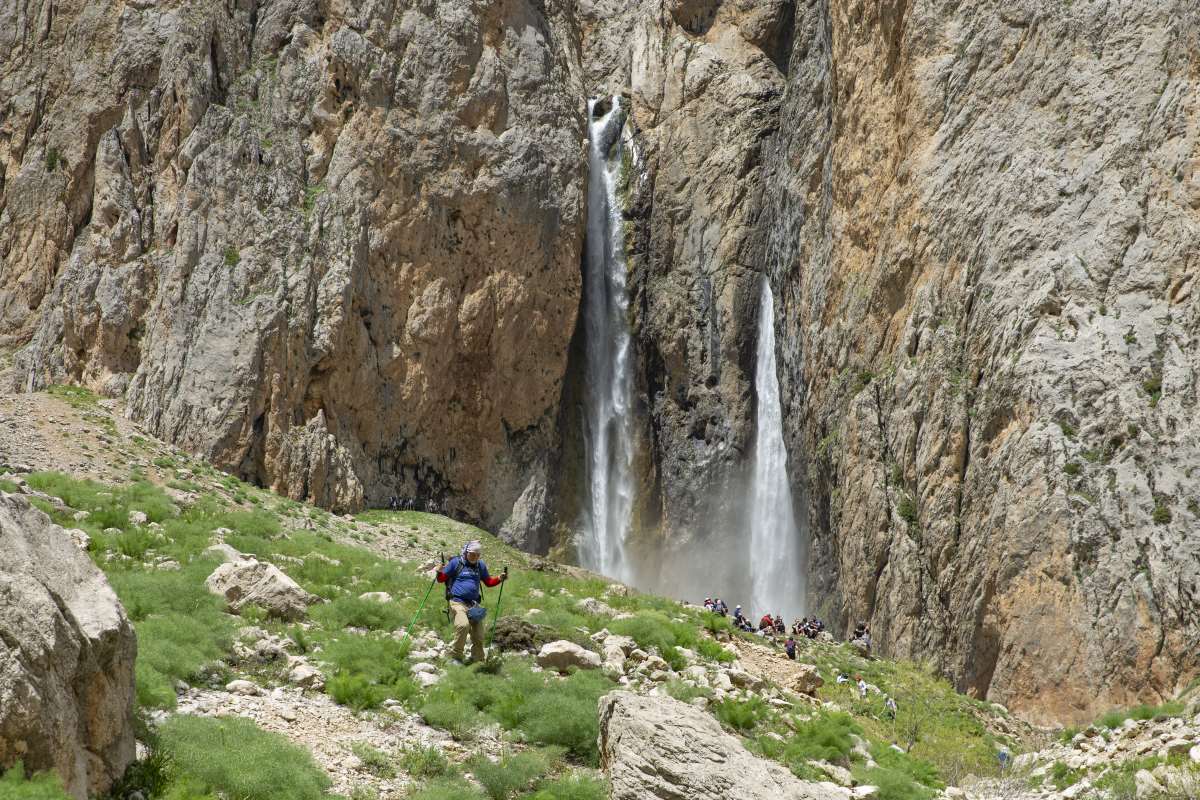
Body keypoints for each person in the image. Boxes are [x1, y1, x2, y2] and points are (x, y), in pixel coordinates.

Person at [437, 540, 506, 663]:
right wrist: (439, 571)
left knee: (479, 634)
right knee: (463, 625)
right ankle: (456, 657)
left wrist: (499, 579)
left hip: (473, 605)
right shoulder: (456, 563)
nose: (474, 557)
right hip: (457, 602)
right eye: (472, 554)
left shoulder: (480, 565)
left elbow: (488, 582)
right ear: (466, 552)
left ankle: (478, 660)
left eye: (477, 555)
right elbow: (442, 579)